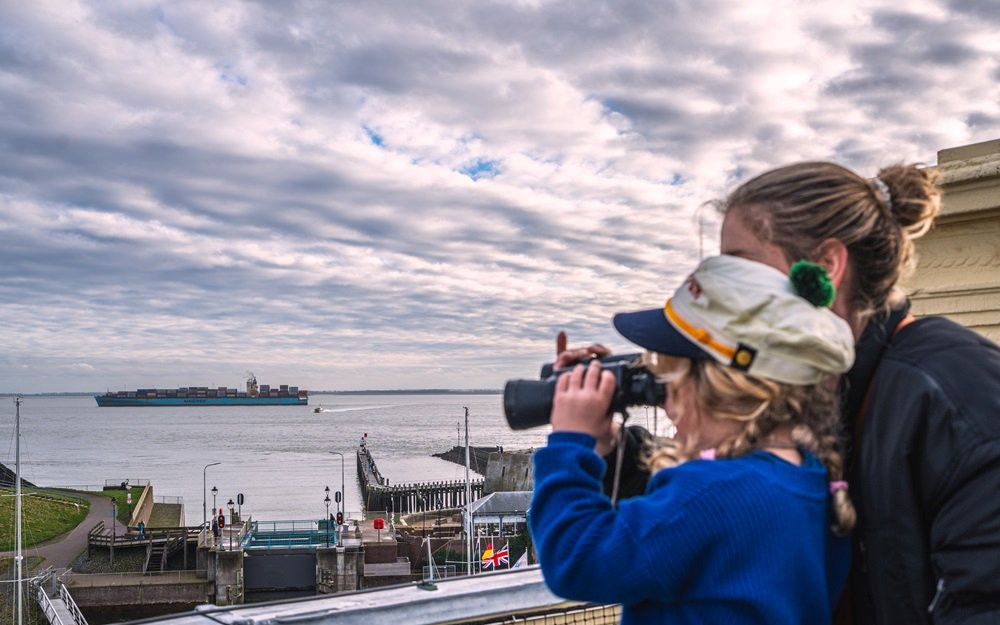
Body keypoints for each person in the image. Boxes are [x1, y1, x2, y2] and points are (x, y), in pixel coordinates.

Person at [565, 162, 1000, 623]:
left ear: (826, 265)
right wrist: (607, 447)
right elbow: (721, 499)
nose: (722, 283)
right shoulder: (809, 385)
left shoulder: (958, 398)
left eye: (741, 263)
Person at [531, 254, 857, 625]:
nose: (666, 404)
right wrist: (604, 447)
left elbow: (576, 560)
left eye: (670, 385)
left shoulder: (711, 494)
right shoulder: (812, 479)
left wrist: (570, 442)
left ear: (719, 388)